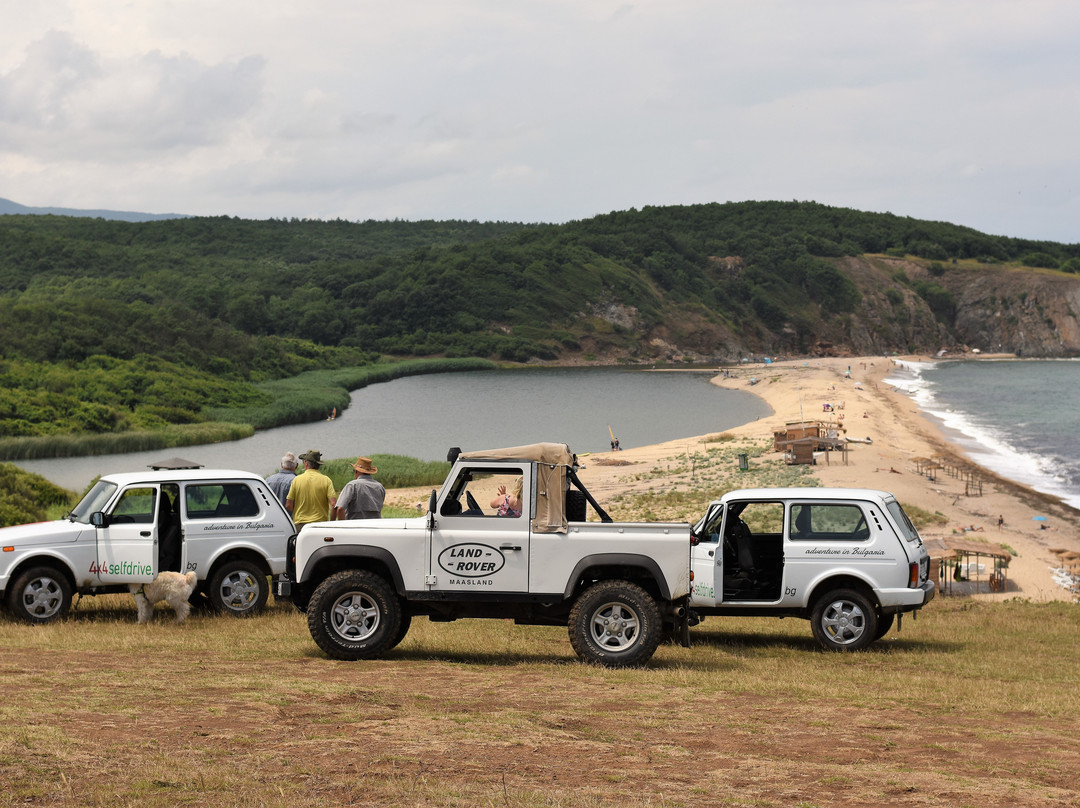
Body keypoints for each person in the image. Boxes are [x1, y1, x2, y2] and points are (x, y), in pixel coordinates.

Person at [286, 449, 337, 528]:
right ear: (318, 464)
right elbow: (333, 504)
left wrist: (299, 514)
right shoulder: (326, 480)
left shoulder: (297, 480)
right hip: (321, 525)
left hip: (301, 525)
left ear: (306, 463)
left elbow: (288, 505)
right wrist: (332, 523)